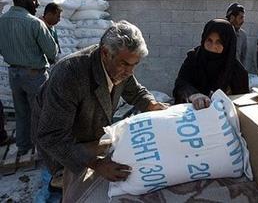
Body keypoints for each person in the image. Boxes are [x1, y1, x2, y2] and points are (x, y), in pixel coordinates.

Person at [32, 20, 169, 202]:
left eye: (134, 64)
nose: (130, 71)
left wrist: (152, 105)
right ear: (105, 53)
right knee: (65, 187)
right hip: (61, 142)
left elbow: (135, 91)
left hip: (86, 133)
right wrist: (96, 163)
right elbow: (51, 136)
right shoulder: (70, 74)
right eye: (125, 64)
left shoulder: (121, 66)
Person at [0, 0, 58, 155]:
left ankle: (23, 146)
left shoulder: (1, 21)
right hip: (35, 75)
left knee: (21, 112)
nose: (37, 3)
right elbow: (52, 52)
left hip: (14, 74)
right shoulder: (34, 23)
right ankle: (44, 150)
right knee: (42, 112)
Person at [173, 19, 249, 110]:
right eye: (209, 40)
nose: (213, 46)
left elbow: (242, 106)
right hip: (190, 118)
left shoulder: (237, 71)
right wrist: (193, 95)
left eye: (219, 42)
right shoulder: (193, 58)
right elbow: (180, 84)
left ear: (228, 44)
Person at [226, 3, 247, 68]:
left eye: (243, 18)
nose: (243, 21)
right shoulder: (221, 32)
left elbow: (243, 57)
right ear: (232, 18)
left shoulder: (243, 35)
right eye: (241, 18)